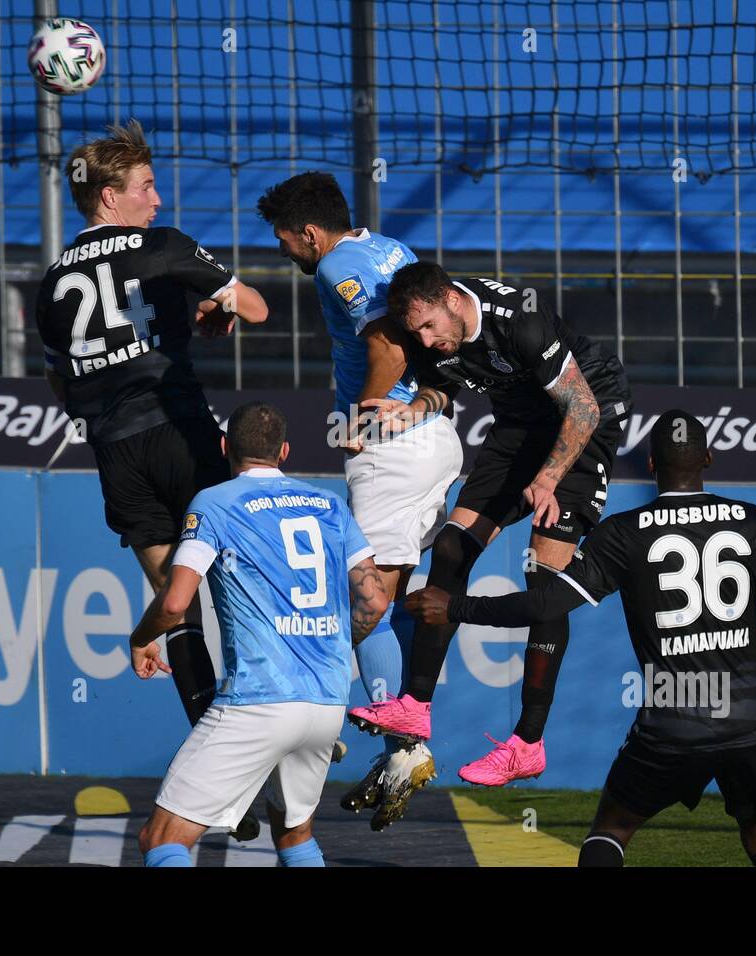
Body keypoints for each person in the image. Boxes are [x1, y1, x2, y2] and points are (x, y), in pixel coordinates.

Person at [406, 410, 756, 866]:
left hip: (671, 724)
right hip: (746, 722)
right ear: (709, 458)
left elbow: (543, 606)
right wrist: (749, 680)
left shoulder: (625, 532)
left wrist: (455, 606)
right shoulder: (753, 521)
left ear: (652, 466)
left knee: (611, 831)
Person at [35, 120, 269, 837]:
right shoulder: (161, 246)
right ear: (110, 196)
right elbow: (255, 305)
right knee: (237, 593)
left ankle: (217, 789)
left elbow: (68, 387)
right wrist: (216, 308)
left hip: (115, 454)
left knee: (175, 608)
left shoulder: (49, 285)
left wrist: (179, 320)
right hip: (182, 434)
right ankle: (276, 743)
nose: (157, 197)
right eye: (145, 187)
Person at [349, 260, 631, 785]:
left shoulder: (517, 318)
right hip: (520, 425)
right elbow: (442, 390)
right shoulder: (437, 336)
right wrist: (409, 411)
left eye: (430, 326)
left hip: (585, 414)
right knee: (453, 548)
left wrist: (547, 479)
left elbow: (583, 408)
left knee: (545, 580)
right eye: (417, 333)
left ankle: (527, 743)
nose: (427, 340)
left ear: (453, 300)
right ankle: (415, 705)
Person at [256, 172, 462, 828]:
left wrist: (363, 423)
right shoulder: (389, 249)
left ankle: (310, 725)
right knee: (387, 595)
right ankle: (402, 743)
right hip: (436, 439)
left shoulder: (336, 265)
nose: (286, 252)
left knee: (361, 595)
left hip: (394, 449)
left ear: (309, 233)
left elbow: (390, 343)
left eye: (286, 240)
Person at [131, 402, 389, 867]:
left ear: (225, 446)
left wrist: (139, 637)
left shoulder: (215, 501)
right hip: (327, 702)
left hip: (259, 698)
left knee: (161, 838)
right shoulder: (328, 503)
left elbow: (174, 603)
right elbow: (374, 601)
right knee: (294, 835)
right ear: (285, 451)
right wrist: (327, 645)